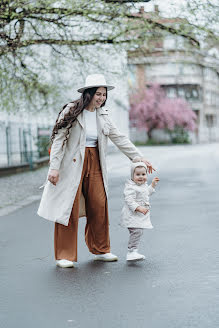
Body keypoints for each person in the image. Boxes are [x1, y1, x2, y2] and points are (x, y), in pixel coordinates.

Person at [37, 73, 155, 268]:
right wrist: (54, 168)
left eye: (104, 94)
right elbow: (58, 140)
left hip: (96, 162)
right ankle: (64, 255)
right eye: (98, 94)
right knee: (69, 208)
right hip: (72, 165)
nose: (101, 98)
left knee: (99, 206)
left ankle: (100, 250)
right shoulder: (72, 110)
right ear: (88, 93)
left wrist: (137, 157)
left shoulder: (103, 114)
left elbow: (119, 138)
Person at [120, 158, 159, 261]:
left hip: (138, 215)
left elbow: (147, 193)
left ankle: (133, 251)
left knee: (138, 231)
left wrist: (153, 185)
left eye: (143, 174)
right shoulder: (131, 187)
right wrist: (138, 208)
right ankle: (131, 251)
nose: (141, 177)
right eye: (138, 175)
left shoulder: (142, 185)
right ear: (132, 176)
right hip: (132, 214)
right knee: (136, 231)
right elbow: (129, 200)